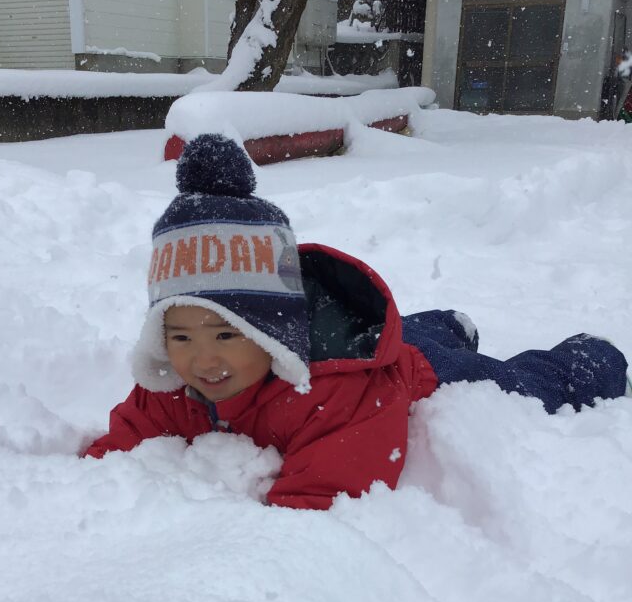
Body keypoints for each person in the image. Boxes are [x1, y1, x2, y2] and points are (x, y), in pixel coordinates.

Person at [84, 134, 629, 510]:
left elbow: (328, 492)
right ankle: (444, 323)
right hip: (365, 344)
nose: (203, 358)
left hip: (407, 374)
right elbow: (119, 451)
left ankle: (588, 355)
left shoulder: (332, 395)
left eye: (227, 333)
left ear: (272, 330)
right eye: (180, 336)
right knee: (414, 335)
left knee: (521, 386)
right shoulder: (174, 384)